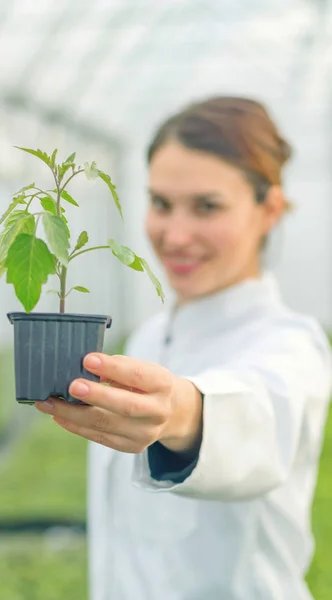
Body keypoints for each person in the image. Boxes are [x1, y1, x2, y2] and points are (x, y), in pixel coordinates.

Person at [36, 96, 332, 600]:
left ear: (270, 210)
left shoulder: (290, 344)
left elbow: (258, 412)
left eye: (207, 206)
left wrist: (182, 413)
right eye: (160, 203)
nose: (174, 235)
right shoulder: (149, 337)